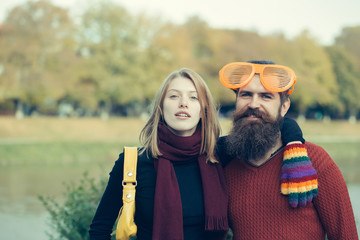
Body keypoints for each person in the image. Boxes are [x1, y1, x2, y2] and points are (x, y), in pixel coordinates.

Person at [89, 67, 304, 240]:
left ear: (203, 110)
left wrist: (295, 145)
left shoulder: (219, 153)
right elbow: (99, 229)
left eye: (193, 98)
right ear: (161, 107)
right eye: (174, 96)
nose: (183, 103)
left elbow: (275, 123)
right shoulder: (133, 162)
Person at [216, 60, 359, 239]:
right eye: (246, 95)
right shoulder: (223, 162)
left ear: (284, 107)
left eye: (266, 96)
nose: (253, 104)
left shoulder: (315, 161)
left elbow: (346, 236)